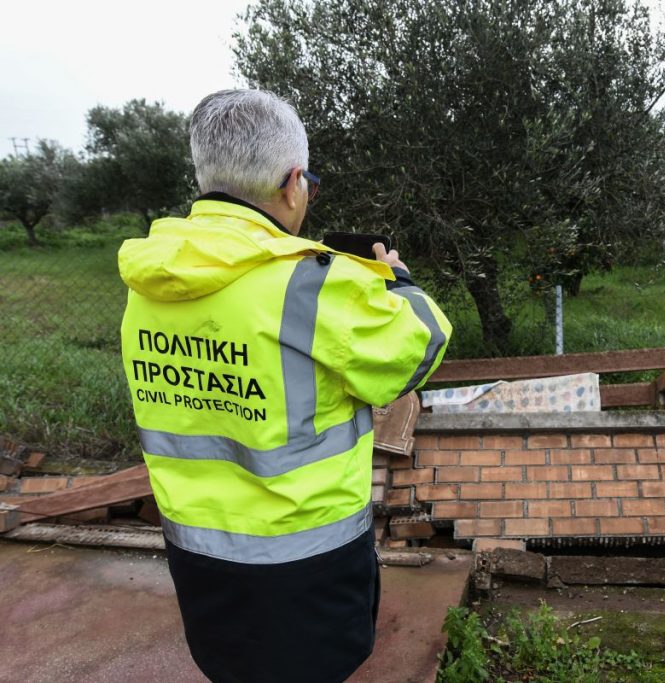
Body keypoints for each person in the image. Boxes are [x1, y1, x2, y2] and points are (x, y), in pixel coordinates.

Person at [118, 89, 451, 682]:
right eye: (310, 185)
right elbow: (418, 346)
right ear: (293, 182)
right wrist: (399, 284)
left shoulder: (149, 280)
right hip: (306, 566)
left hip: (199, 560)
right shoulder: (307, 284)